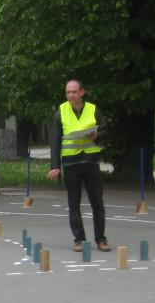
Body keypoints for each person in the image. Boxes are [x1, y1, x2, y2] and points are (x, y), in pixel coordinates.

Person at [46, 79, 110, 253]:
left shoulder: (93, 110)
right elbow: (55, 141)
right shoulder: (60, 112)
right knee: (74, 204)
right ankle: (79, 239)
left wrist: (96, 135)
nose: (71, 95)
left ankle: (101, 239)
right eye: (68, 92)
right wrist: (54, 165)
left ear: (82, 92)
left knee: (97, 203)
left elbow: (105, 131)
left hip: (91, 162)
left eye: (74, 92)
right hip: (71, 163)